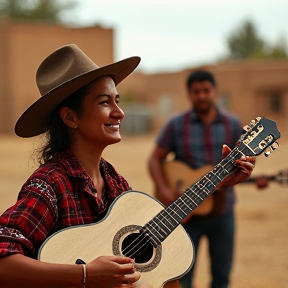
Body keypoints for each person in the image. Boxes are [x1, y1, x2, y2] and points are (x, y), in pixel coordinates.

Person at [0, 46, 254, 288]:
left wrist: (216, 183)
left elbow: (146, 240)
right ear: (70, 117)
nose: (119, 112)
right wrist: (86, 275)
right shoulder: (50, 184)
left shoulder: (115, 182)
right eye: (104, 102)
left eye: (117, 100)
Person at [148, 70, 256, 288]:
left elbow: (245, 160)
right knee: (182, 276)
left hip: (223, 210)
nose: (202, 96)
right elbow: (154, 159)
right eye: (196, 91)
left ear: (214, 91)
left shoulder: (232, 124)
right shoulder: (176, 124)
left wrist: (246, 167)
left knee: (222, 276)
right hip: (185, 213)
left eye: (206, 90)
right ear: (189, 94)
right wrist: (165, 190)